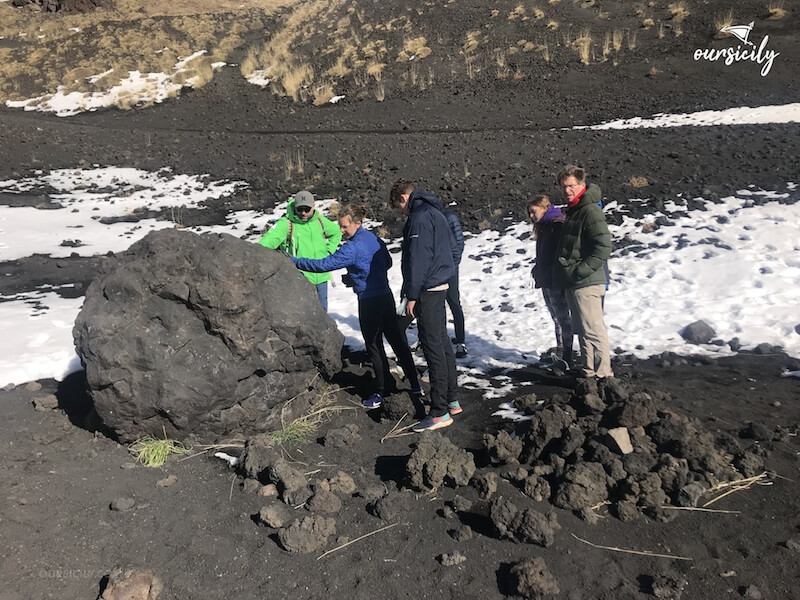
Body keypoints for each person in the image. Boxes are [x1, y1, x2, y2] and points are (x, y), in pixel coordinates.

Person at [290, 205, 423, 408]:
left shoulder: (352, 248)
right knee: (397, 340)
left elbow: (324, 265)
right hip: (385, 296)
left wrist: (294, 261)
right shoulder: (373, 238)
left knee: (374, 346)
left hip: (369, 302)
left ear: (357, 223)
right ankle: (415, 384)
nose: (341, 231)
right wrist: (360, 275)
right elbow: (387, 262)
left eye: (344, 227)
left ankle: (380, 392)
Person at [390, 178, 460, 432]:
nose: (402, 212)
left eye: (400, 207)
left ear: (403, 199)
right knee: (441, 341)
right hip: (440, 283)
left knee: (432, 346)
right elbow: (453, 248)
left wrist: (411, 294)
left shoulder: (419, 217)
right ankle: (452, 399)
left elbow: (417, 259)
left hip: (428, 288)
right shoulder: (437, 213)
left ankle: (439, 410)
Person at [552, 165, 613, 379]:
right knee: (583, 329)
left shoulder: (590, 210)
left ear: (582, 185)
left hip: (586, 281)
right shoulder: (576, 210)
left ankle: (603, 375)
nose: (567, 190)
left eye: (571, 186)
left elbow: (603, 246)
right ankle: (589, 371)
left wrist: (581, 270)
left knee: (594, 329)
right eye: (563, 186)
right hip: (575, 282)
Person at [257, 190, 341, 311]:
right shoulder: (286, 224)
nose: (303, 213)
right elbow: (265, 244)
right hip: (300, 278)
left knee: (322, 315)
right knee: (303, 314)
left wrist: (328, 252)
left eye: (307, 209)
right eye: (299, 209)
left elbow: (336, 233)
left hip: (321, 276)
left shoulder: (319, 220)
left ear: (313, 206)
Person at [527, 194, 573, 369]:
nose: (531, 216)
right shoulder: (545, 226)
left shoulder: (556, 224)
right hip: (547, 278)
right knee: (556, 317)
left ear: (544, 207)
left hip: (555, 280)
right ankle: (561, 352)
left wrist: (554, 272)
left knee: (563, 318)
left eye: (533, 212)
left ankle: (567, 357)